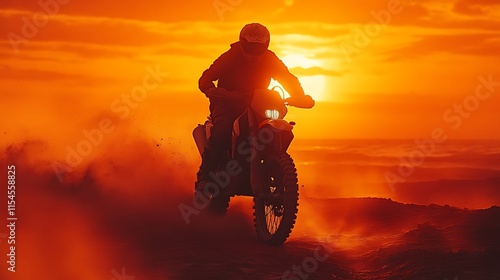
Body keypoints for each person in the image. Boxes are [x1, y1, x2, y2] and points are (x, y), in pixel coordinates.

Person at [196, 22, 308, 190]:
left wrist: (300, 96)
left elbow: (288, 79)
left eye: (258, 48)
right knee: (222, 129)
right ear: (242, 43)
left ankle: (273, 168)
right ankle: (204, 176)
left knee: (274, 126)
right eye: (249, 47)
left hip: (258, 104)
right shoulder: (231, 56)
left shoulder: (270, 59)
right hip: (227, 104)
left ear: (266, 45)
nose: (254, 54)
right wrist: (212, 90)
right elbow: (206, 77)